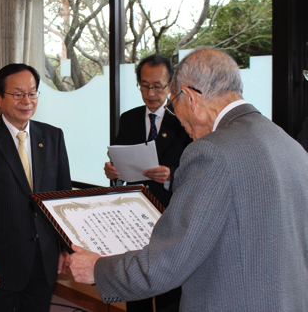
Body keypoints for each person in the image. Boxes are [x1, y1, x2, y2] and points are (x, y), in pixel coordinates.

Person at [66, 48, 308, 310]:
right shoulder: (288, 144)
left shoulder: (212, 151)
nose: (186, 130)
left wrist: (99, 269)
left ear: (190, 98)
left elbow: (169, 261)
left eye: (174, 105)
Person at [0, 63, 72, 312]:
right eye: (18, 94)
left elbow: (62, 199)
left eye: (32, 93)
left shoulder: (53, 137)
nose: (27, 101)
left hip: (43, 259)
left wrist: (64, 248)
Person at [104, 54, 189, 312]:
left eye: (157, 86)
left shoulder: (183, 121)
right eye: (144, 85)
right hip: (134, 213)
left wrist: (170, 175)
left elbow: (194, 168)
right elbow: (120, 158)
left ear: (170, 84)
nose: (150, 93)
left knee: (168, 290)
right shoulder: (128, 118)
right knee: (136, 282)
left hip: (169, 213)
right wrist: (113, 172)